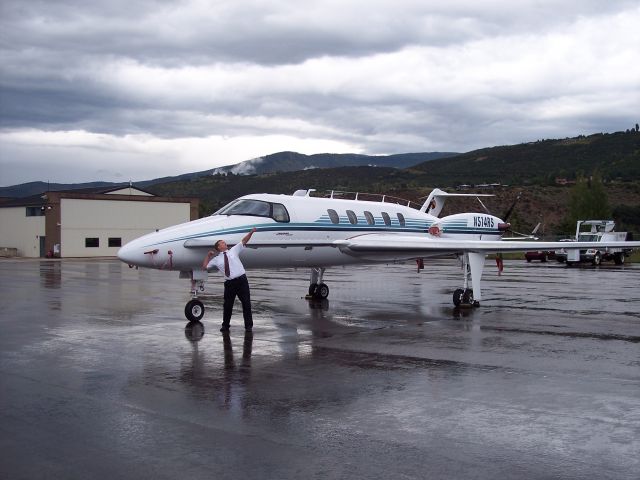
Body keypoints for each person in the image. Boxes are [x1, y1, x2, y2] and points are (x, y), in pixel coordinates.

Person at [202, 228, 256, 332]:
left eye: (224, 242)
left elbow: (244, 241)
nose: (224, 243)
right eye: (222, 242)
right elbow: (204, 267)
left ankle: (248, 326)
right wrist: (208, 256)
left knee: (246, 303)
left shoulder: (233, 250)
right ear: (218, 247)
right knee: (228, 305)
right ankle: (225, 326)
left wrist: (251, 232)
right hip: (230, 284)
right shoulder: (217, 259)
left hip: (242, 281)